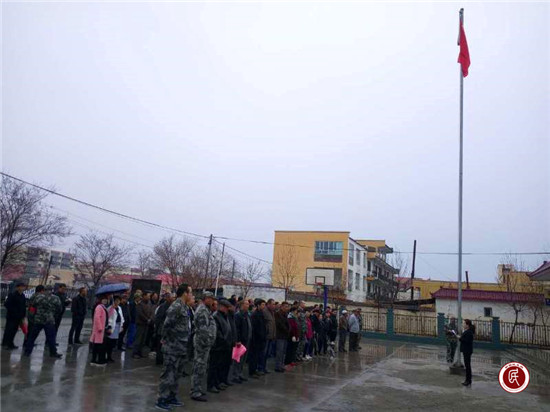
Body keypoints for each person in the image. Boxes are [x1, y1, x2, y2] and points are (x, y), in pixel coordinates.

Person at [155, 284, 193, 411]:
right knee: (168, 374)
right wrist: (168, 341)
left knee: (177, 374)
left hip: (181, 347)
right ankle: (161, 399)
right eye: (190, 292)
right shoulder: (176, 306)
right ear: (185, 293)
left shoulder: (184, 307)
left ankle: (171, 397)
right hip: (172, 347)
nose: (191, 295)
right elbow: (167, 325)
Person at [191, 292, 216, 402]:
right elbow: (203, 330)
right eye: (210, 298)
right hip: (202, 344)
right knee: (199, 367)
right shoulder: (202, 310)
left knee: (201, 367)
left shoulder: (206, 310)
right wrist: (208, 341)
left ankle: (198, 389)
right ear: (205, 299)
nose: (212, 301)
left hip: (204, 344)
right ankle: (195, 391)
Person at [24, 285, 62, 358]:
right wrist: (53, 314)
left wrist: (32, 317)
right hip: (49, 320)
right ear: (52, 290)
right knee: (51, 338)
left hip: (38, 319)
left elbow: (33, 306)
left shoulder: (38, 297)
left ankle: (27, 352)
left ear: (44, 290)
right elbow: (59, 309)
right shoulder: (56, 298)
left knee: (32, 337)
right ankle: (53, 353)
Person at [208, 299, 232, 392]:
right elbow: (217, 332)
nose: (227, 309)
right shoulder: (216, 316)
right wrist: (223, 340)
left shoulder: (225, 316)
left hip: (224, 346)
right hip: (217, 346)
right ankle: (211, 385)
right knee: (214, 366)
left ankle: (217, 383)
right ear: (221, 307)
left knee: (220, 366)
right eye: (226, 307)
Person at [2, 282, 27, 350]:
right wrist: (14, 311)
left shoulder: (23, 296)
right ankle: (5, 344)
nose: (22, 288)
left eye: (23, 286)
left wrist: (23, 315)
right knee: (9, 330)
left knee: (14, 331)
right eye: (21, 286)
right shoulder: (12, 295)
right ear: (17, 287)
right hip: (12, 317)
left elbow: (23, 306)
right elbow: (7, 304)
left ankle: (11, 343)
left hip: (19, 317)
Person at [233, 300, 252, 381]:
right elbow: (236, 329)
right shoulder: (238, 315)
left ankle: (240, 373)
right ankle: (235, 375)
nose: (248, 305)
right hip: (241, 340)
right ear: (242, 305)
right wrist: (238, 340)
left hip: (247, 339)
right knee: (238, 358)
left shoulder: (247, 315)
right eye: (246, 304)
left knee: (243, 358)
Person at [249, 299, 267, 378]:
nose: (264, 306)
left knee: (258, 356)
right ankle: (252, 371)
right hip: (256, 339)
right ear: (258, 305)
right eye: (262, 305)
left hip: (261, 339)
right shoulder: (255, 315)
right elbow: (255, 328)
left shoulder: (261, 313)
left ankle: (256, 370)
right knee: (254, 356)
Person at [90, 294, 110, 366]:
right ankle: (99, 361)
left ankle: (95, 360)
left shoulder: (102, 307)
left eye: (106, 299)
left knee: (97, 345)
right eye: (104, 299)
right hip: (99, 330)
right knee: (99, 346)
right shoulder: (99, 307)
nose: (105, 300)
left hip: (102, 329)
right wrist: (100, 327)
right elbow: (97, 318)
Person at [133, 291, 154, 359]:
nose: (149, 297)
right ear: (144, 296)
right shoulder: (140, 304)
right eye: (148, 296)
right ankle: (135, 353)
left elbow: (151, 312)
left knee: (143, 340)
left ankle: (140, 352)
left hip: (146, 324)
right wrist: (147, 319)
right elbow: (140, 314)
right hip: (140, 324)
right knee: (138, 339)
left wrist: (150, 318)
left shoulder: (149, 304)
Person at [154, 293, 174, 365]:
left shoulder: (171, 306)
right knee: (160, 345)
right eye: (172, 297)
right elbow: (159, 318)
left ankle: (163, 359)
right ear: (167, 298)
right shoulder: (163, 306)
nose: (173, 299)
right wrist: (156, 328)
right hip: (162, 328)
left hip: (167, 329)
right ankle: (159, 360)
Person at [106, 295, 124, 363]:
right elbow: (109, 318)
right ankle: (108, 356)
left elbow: (121, 317)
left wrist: (122, 326)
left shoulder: (119, 308)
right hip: (112, 326)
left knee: (114, 342)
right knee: (110, 343)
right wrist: (109, 327)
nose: (117, 302)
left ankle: (110, 356)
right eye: (116, 301)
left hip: (118, 326)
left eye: (119, 301)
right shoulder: (110, 308)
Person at [274, 301, 290, 372]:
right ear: (282, 307)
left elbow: (287, 324)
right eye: (286, 307)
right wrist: (286, 329)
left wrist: (288, 329)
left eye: (287, 307)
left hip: (285, 336)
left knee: (283, 352)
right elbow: (279, 324)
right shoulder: (277, 314)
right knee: (279, 352)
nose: (287, 308)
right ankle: (278, 366)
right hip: (280, 335)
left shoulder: (285, 314)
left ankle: (281, 365)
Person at [262, 298, 276, 372]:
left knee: (267, 353)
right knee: (263, 353)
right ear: (269, 304)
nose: (274, 306)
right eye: (273, 304)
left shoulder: (272, 312)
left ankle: (264, 367)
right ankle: (261, 367)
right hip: (266, 336)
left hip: (271, 336)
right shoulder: (265, 312)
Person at [460, 319, 475, 387]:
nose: (463, 325)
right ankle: (468, 380)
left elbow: (467, 341)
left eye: (464, 323)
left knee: (467, 366)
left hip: (467, 350)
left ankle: (468, 380)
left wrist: (460, 338)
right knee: (467, 365)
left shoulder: (469, 332)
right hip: (466, 350)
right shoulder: (467, 331)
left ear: (467, 325)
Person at [226, 302, 238, 383]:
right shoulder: (228, 316)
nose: (234, 308)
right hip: (227, 342)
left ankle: (228, 378)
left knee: (231, 361)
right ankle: (226, 378)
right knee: (227, 361)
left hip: (233, 341)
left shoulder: (233, 316)